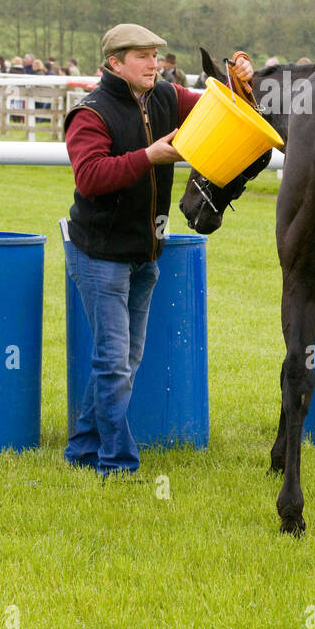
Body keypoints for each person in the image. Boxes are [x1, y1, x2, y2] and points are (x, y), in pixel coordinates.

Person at [61, 24, 254, 477]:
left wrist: (240, 79)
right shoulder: (88, 114)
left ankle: (82, 451)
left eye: (155, 56)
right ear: (114, 63)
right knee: (114, 362)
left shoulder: (166, 97)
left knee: (123, 361)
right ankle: (118, 465)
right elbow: (90, 177)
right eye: (143, 57)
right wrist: (149, 156)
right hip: (98, 256)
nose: (154, 64)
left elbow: (219, 107)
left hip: (145, 254)